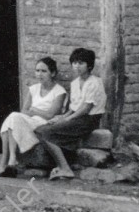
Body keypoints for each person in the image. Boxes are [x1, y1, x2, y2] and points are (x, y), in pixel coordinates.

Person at [35, 47, 106, 180]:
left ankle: (65, 168)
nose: (77, 66)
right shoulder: (74, 83)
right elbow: (74, 108)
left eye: (81, 63)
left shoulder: (94, 83)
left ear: (89, 65)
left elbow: (86, 108)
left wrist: (67, 120)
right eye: (74, 63)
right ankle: (63, 166)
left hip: (89, 120)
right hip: (77, 117)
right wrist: (61, 117)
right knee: (40, 130)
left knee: (45, 132)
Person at [0, 57, 68, 177]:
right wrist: (33, 112)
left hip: (43, 125)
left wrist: (35, 111)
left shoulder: (59, 91)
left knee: (13, 118)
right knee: (12, 119)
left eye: (44, 71)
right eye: (37, 71)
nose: (39, 74)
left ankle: (5, 164)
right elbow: (24, 110)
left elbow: (50, 115)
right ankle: (10, 161)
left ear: (52, 73)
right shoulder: (33, 89)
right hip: (29, 121)